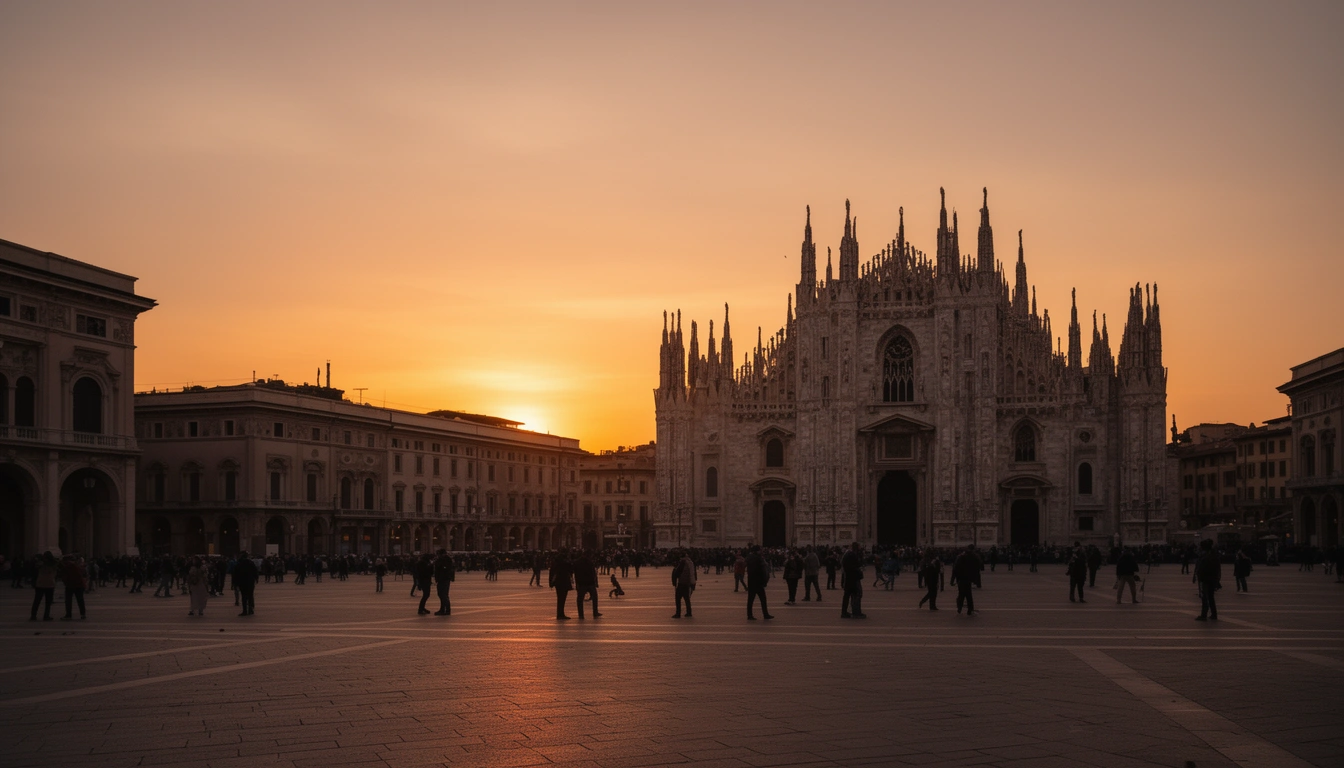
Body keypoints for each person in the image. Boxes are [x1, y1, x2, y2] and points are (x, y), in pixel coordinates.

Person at [1194, 539, 1221, 621]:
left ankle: (1204, 614)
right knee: (1211, 596)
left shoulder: (1204, 556)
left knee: (1204, 597)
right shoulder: (1214, 554)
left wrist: (1197, 575)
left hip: (1204, 579)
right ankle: (1214, 614)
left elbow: (1200, 567)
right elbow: (1218, 568)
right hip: (1212, 578)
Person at [950, 545, 982, 615]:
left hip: (960, 579)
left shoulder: (960, 558)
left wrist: (952, 580)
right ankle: (969, 610)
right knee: (968, 594)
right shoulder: (973, 558)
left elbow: (955, 569)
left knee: (962, 593)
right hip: (968, 579)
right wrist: (975, 579)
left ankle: (960, 607)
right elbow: (978, 567)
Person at [744, 545, 773, 620]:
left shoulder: (749, 558)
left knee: (750, 600)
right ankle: (765, 614)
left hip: (751, 581)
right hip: (758, 582)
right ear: (757, 551)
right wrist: (764, 580)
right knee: (763, 599)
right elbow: (762, 571)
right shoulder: (758, 559)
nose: (761, 551)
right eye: (760, 550)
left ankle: (749, 615)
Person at [29, 551, 58, 621]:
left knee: (37, 601)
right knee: (48, 602)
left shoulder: (40, 563)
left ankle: (33, 615)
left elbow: (34, 570)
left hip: (40, 584)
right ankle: (46, 616)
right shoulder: (54, 563)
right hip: (50, 584)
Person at [840, 542, 866, 618]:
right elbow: (854, 566)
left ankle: (845, 612)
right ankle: (856, 612)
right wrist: (859, 570)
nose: (860, 548)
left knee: (848, 596)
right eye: (859, 546)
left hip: (849, 578)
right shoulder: (851, 555)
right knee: (856, 595)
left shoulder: (848, 554)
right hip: (852, 579)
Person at [573, 550, 601, 618]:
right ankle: (595, 612)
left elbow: (575, 573)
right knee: (594, 597)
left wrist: (577, 583)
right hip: (590, 582)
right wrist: (595, 582)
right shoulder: (590, 562)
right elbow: (593, 573)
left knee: (580, 599)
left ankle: (581, 614)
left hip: (581, 582)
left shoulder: (577, 562)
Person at [60, 555, 87, 620]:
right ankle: (83, 614)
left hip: (71, 585)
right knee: (80, 600)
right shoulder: (77, 566)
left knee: (68, 601)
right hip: (79, 585)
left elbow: (65, 576)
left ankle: (68, 615)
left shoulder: (67, 567)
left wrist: (65, 582)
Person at [232, 551, 259, 616]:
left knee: (244, 596)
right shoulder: (250, 563)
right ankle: (250, 609)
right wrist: (256, 579)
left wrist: (235, 583)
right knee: (250, 595)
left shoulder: (239, 564)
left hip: (242, 582)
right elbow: (255, 571)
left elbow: (235, 574)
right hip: (250, 582)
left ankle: (245, 610)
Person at [671, 549, 695, 618]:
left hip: (682, 582)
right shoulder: (690, 561)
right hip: (688, 582)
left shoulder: (683, 562)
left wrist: (674, 580)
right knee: (687, 598)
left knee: (678, 598)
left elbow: (678, 572)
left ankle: (678, 613)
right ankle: (689, 612)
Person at [550, 551, 574, 620]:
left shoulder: (555, 563)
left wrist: (551, 583)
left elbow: (551, 573)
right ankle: (561, 614)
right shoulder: (565, 563)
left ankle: (559, 613)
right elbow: (571, 570)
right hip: (564, 582)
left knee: (559, 599)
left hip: (557, 583)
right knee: (562, 599)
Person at [433, 549, 455, 616]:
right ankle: (443, 609)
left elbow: (443, 568)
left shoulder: (445, 560)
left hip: (443, 579)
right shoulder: (446, 559)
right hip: (443, 579)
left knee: (443, 595)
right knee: (442, 595)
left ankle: (446, 610)